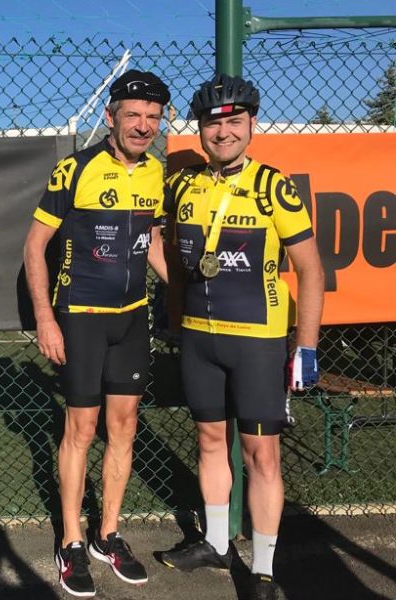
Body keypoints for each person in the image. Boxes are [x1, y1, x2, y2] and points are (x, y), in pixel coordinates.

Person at [158, 74, 325, 600]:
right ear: (200, 130)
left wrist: (306, 346)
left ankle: (264, 571)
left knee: (261, 456)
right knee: (210, 442)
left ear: (252, 124)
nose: (223, 132)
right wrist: (177, 308)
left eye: (234, 122)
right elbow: (170, 255)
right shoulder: (182, 185)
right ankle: (215, 542)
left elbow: (311, 270)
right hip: (199, 339)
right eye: (213, 124)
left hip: (257, 341)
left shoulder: (274, 186)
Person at [23, 69, 170, 597]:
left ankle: (108, 534)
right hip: (81, 317)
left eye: (152, 117)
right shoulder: (76, 169)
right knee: (81, 430)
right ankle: (71, 540)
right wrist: (45, 318)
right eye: (133, 115)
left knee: (124, 427)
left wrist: (184, 293)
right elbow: (34, 245)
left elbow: (153, 242)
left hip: (132, 318)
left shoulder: (156, 172)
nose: (143, 125)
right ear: (111, 117)